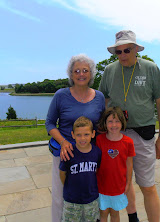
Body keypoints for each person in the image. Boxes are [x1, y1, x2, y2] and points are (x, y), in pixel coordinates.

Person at [99, 30, 160, 222]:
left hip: (143, 134)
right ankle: (133, 218)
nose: (122, 55)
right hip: (116, 135)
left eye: (127, 50)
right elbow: (102, 99)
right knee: (123, 183)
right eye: (118, 52)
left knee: (147, 185)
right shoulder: (109, 70)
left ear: (136, 49)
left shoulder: (150, 68)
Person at [45, 54, 105, 222]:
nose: (81, 74)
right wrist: (63, 142)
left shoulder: (99, 97)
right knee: (60, 197)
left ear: (91, 74)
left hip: (89, 157)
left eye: (85, 70)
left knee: (89, 197)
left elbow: (101, 126)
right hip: (66, 155)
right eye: (76, 71)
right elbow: (49, 123)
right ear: (71, 75)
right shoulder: (60, 95)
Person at [96, 107, 135, 222]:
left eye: (117, 121)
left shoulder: (128, 142)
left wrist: (128, 182)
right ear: (105, 123)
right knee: (102, 213)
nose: (114, 125)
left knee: (115, 213)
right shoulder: (99, 140)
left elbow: (129, 164)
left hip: (118, 186)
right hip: (102, 185)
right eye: (110, 121)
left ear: (122, 122)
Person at [59, 116, 101, 222]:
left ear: (93, 134)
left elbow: (97, 172)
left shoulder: (97, 152)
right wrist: (69, 188)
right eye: (79, 135)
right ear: (73, 135)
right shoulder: (69, 152)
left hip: (92, 201)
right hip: (71, 202)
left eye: (86, 134)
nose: (82, 138)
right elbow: (62, 173)